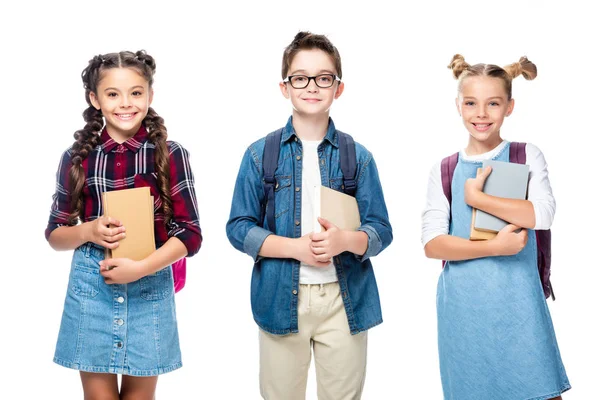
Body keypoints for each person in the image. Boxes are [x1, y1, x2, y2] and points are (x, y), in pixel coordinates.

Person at [226, 32, 392, 399]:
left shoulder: (358, 156)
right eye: (300, 78)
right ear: (285, 87)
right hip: (281, 299)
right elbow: (238, 228)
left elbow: (381, 230)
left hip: (344, 301)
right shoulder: (260, 154)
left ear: (338, 87)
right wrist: (293, 248)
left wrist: (346, 241)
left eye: (323, 78)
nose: (312, 87)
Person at [46, 50, 201, 399]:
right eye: (113, 94)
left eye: (136, 92)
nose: (125, 103)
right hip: (92, 287)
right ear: (94, 99)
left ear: (149, 95)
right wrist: (88, 230)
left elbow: (190, 234)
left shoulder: (169, 153)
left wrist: (142, 268)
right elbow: (55, 234)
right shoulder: (77, 158)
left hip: (149, 285)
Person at [421, 54, 570, 400]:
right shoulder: (444, 169)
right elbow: (433, 244)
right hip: (464, 309)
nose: (481, 114)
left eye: (493, 103)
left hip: (520, 305)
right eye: (471, 103)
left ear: (510, 106)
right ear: (458, 106)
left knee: (540, 389)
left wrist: (479, 199)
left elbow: (542, 215)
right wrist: (493, 247)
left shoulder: (525, 154)